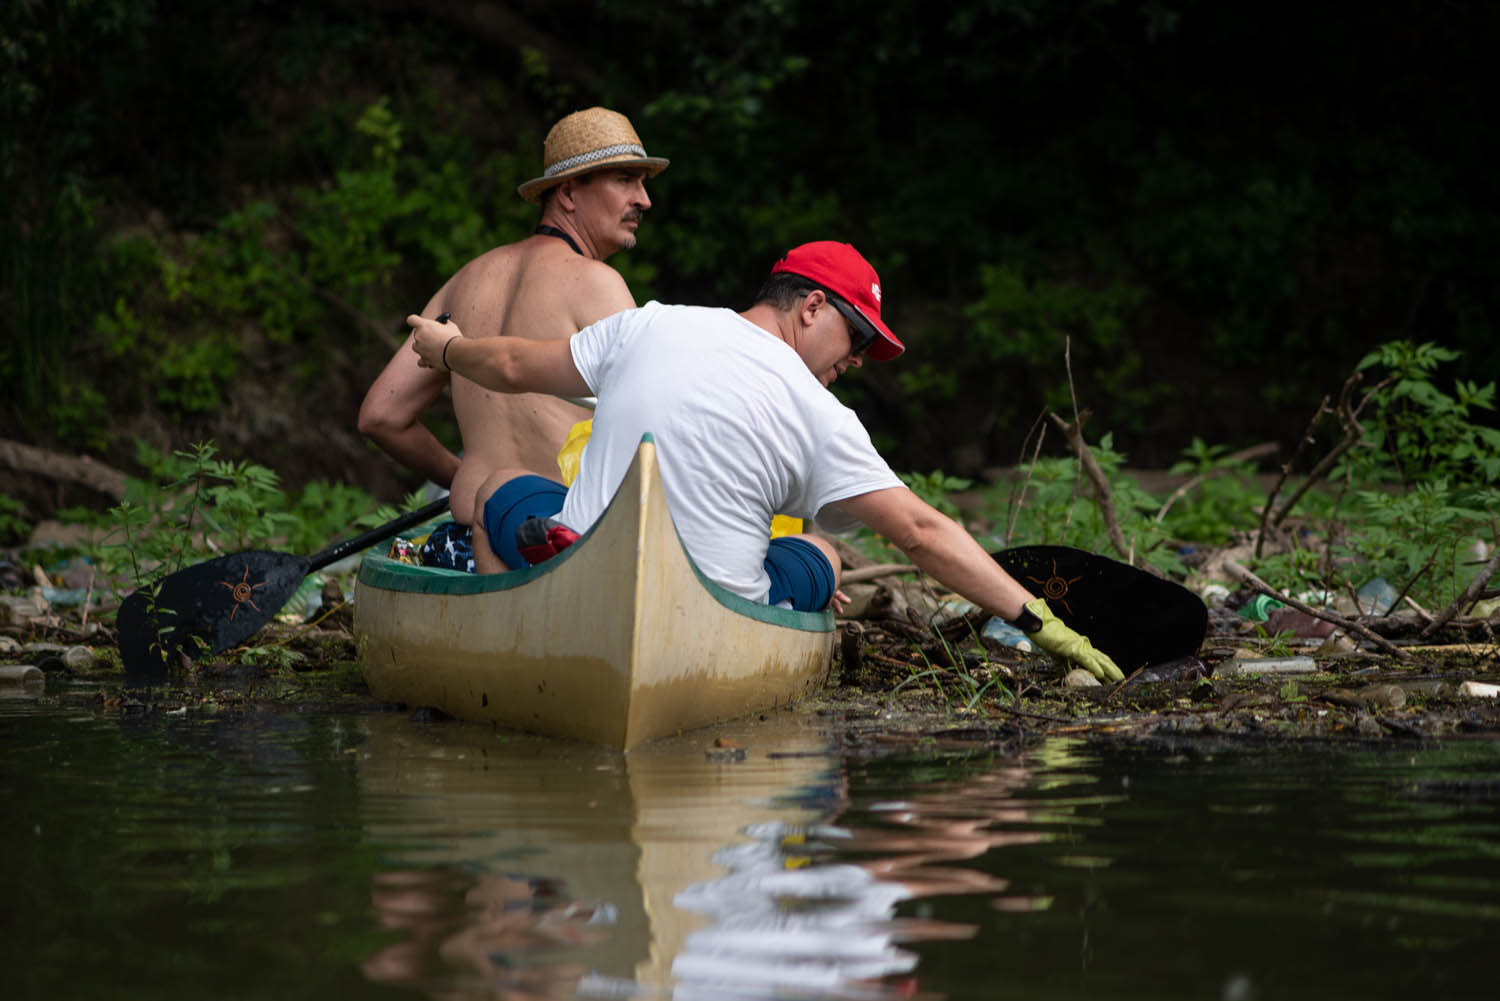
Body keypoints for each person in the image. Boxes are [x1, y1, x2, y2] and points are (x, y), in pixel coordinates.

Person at [406, 241, 1123, 681]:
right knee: (823, 550)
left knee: (501, 484)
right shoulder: (822, 417)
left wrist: (443, 350)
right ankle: (537, 635)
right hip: (713, 618)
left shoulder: (648, 325)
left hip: (585, 574)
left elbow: (504, 361)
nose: (856, 361)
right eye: (857, 336)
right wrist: (1036, 620)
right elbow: (921, 532)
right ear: (810, 306)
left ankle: (510, 646)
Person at [357, 106, 667, 570]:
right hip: (554, 546)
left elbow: (381, 415)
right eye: (625, 180)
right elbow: (659, 421)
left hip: (464, 543)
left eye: (643, 183)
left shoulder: (464, 281)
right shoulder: (598, 284)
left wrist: (466, 476)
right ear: (567, 192)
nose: (643, 199)